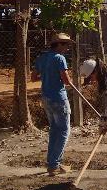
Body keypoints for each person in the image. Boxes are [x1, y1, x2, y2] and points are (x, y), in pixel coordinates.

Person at [31, 33, 75, 177]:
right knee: (63, 131)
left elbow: (33, 77)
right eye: (66, 45)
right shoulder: (59, 58)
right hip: (59, 98)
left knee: (55, 131)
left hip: (46, 98)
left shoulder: (42, 57)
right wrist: (69, 82)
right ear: (59, 44)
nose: (67, 48)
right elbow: (66, 80)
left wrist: (46, 75)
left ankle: (52, 164)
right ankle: (54, 164)